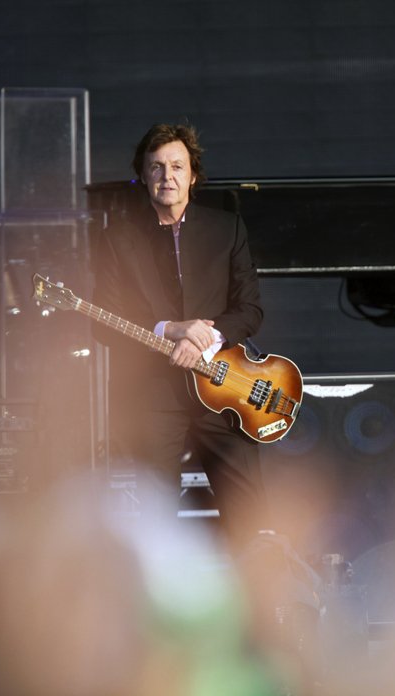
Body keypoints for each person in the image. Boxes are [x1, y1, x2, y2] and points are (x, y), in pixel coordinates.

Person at [92, 123, 268, 550]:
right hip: (153, 398)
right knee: (155, 525)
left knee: (248, 516)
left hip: (223, 390)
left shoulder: (227, 228)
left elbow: (250, 310)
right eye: (156, 167)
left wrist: (203, 338)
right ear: (143, 175)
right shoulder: (117, 239)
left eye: (176, 166)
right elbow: (104, 322)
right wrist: (171, 329)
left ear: (193, 175)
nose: (166, 176)